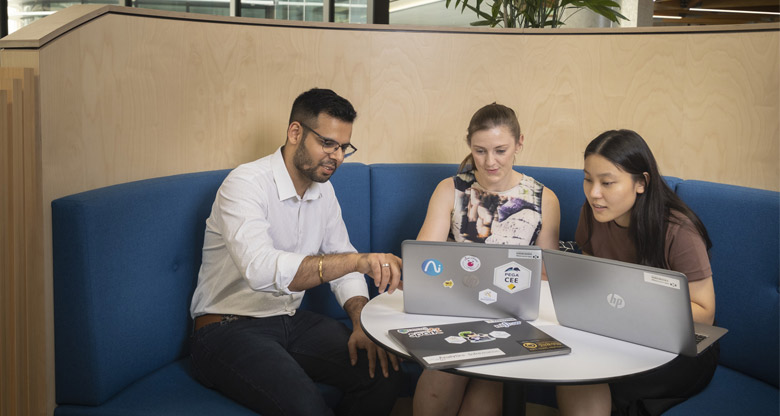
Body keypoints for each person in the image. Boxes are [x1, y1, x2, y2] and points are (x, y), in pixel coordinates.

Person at [189, 88, 403, 416]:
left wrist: (361, 323)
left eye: (344, 147)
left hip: (289, 320)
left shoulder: (324, 191)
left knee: (383, 374)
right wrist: (357, 261)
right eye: (327, 143)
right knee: (307, 407)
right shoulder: (245, 183)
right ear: (295, 133)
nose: (338, 156)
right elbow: (260, 269)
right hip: (226, 327)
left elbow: (340, 252)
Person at [555, 129, 719, 416]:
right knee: (572, 370)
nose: (594, 193)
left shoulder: (678, 230)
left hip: (677, 347)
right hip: (620, 331)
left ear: (641, 183)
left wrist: (633, 304)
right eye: (588, 179)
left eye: (607, 182)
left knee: (598, 377)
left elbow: (705, 312)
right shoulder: (592, 215)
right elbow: (594, 277)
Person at [412, 103, 561, 416]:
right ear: (469, 145)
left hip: (513, 316)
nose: (490, 162)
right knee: (439, 386)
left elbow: (549, 275)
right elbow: (424, 260)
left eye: (500, 150)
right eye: (480, 151)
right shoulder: (450, 189)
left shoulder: (543, 198)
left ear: (520, 143)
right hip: (454, 309)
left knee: (482, 403)